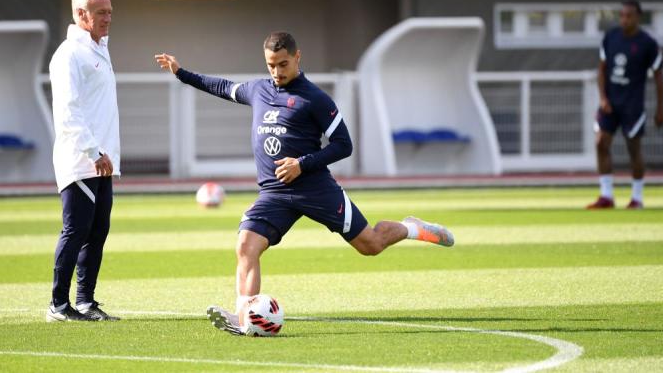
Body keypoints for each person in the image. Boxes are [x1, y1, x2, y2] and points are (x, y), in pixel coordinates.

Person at [155, 32, 454, 336]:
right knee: (246, 245)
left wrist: (302, 164)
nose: (277, 71)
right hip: (274, 193)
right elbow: (220, 87)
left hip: (315, 189)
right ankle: (243, 316)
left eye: (283, 64)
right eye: (271, 65)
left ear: (298, 58)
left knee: (371, 245)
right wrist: (181, 73)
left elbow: (344, 145)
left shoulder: (316, 99)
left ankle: (411, 227)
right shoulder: (257, 90)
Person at [46, 0, 121, 322]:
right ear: (81, 15)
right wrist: (94, 150)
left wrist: (107, 153)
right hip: (81, 159)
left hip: (103, 161)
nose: (108, 17)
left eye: (109, 11)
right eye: (101, 12)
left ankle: (86, 301)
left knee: (97, 231)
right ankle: (58, 306)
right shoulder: (68, 54)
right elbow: (68, 111)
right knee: (75, 230)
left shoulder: (99, 48)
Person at [588, 0, 663, 209]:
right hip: (610, 103)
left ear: (638, 17)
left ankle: (637, 197)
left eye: (629, 15)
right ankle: (606, 195)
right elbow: (602, 70)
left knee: (633, 149)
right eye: (621, 15)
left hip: (632, 104)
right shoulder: (611, 37)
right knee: (600, 143)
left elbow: (659, 77)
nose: (624, 19)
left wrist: (661, 109)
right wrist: (603, 98)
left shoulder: (647, 43)